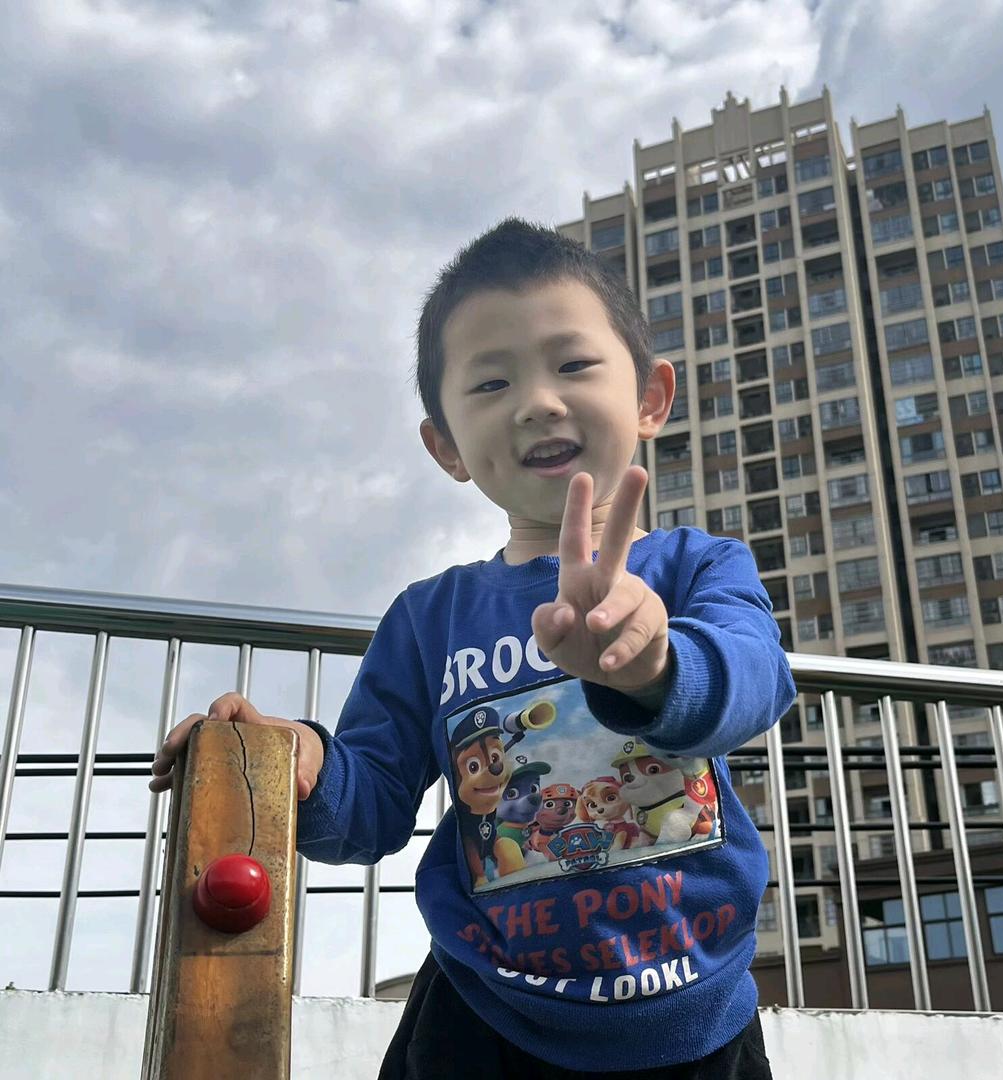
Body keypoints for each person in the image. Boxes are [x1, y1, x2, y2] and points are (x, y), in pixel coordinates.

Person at [150, 218, 796, 1078]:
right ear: (446, 446)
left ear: (650, 397)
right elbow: (371, 801)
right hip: (478, 1013)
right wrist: (296, 761)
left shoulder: (699, 567)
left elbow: (755, 678)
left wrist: (655, 664)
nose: (537, 400)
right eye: (491, 383)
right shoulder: (427, 619)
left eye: (572, 364)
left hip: (694, 1015)